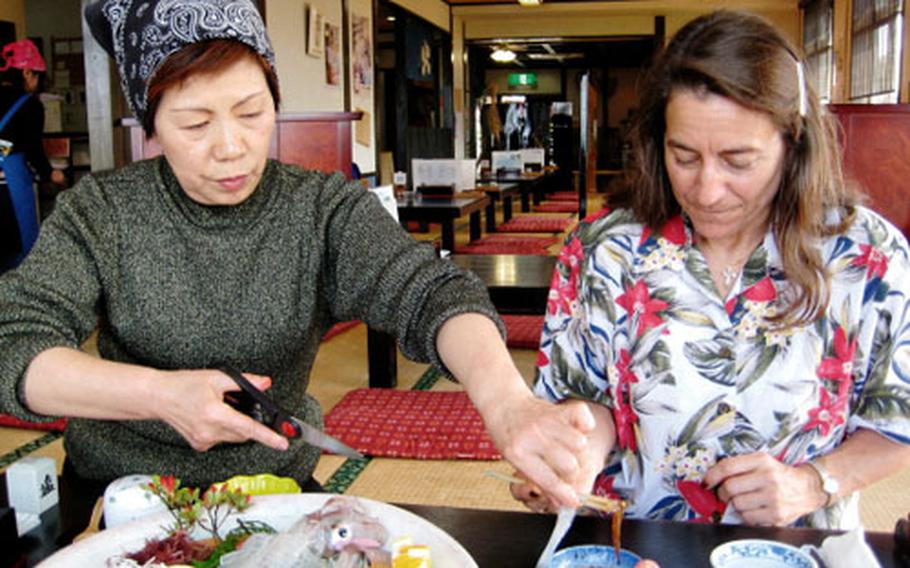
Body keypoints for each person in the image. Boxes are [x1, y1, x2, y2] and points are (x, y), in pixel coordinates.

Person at [0, 0, 587, 526]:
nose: (231, 147)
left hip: (276, 490)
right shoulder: (101, 212)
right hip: (121, 495)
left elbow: (430, 292)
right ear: (151, 124)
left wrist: (508, 402)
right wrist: (158, 396)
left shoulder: (322, 208)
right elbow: (13, 345)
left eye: (252, 113)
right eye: (196, 124)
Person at [509, 10, 910, 530]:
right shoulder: (604, 249)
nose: (706, 190)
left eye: (738, 161)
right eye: (684, 156)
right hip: (631, 539)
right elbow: (586, 397)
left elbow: (896, 422)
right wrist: (574, 456)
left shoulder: (867, 256)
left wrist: (813, 482)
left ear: (793, 145)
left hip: (794, 546)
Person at [0, 38, 65, 271]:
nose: (37, 82)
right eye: (37, 76)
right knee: (20, 249)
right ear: (27, 73)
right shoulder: (30, 105)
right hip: (10, 186)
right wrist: (50, 173)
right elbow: (33, 149)